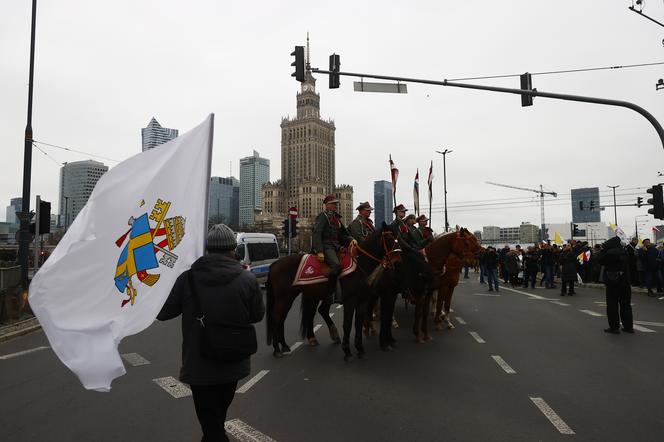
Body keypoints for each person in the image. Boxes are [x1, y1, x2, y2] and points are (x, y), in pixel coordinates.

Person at [157, 224, 265, 442]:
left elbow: (163, 313)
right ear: (233, 249)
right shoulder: (247, 279)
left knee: (211, 425)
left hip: (200, 365)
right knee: (215, 421)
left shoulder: (187, 279)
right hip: (233, 362)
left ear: (207, 248)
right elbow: (256, 316)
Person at [312, 195, 355, 303]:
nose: (336, 205)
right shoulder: (323, 216)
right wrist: (320, 251)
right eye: (333, 204)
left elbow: (341, 235)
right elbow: (317, 233)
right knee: (336, 266)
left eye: (336, 204)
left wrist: (352, 240)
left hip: (336, 246)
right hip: (326, 246)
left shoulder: (336, 219)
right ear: (327, 205)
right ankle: (330, 293)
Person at [597, 236, 633, 334]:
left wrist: (603, 250)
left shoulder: (609, 253)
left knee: (612, 305)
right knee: (626, 305)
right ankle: (628, 327)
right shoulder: (625, 251)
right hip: (625, 281)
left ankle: (614, 327)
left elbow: (600, 260)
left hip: (612, 282)